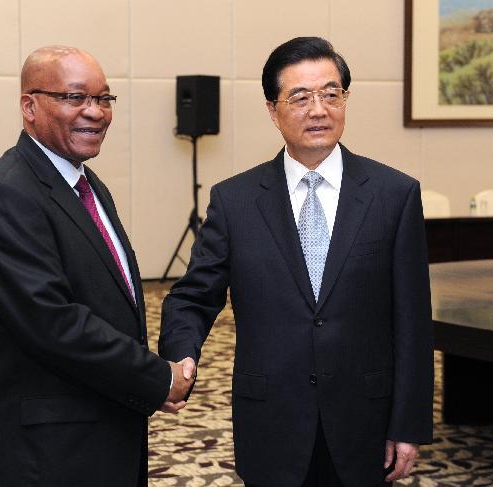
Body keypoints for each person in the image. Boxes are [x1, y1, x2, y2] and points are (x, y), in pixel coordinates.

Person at [159, 37, 433, 487]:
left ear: (345, 100)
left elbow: (412, 321)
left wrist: (408, 425)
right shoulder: (235, 201)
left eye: (331, 94)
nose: (319, 109)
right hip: (272, 417)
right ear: (273, 109)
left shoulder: (394, 195)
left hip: (364, 417)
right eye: (300, 97)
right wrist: (179, 357)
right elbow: (193, 296)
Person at [0, 45, 192, 487]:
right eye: (75, 98)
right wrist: (155, 378)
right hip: (42, 455)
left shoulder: (85, 183)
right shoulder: (7, 194)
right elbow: (53, 323)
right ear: (29, 106)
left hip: (93, 434)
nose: (96, 112)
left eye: (104, 99)